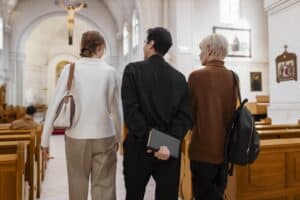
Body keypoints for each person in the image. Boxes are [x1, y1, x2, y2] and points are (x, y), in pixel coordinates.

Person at [41, 31, 123, 200]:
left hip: (76, 136)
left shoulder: (70, 69)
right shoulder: (110, 71)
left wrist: (44, 141)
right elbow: (116, 108)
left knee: (77, 184)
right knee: (105, 187)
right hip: (105, 135)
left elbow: (54, 105)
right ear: (99, 48)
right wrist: (119, 138)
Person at [121, 27, 192, 200]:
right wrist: (165, 144)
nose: (145, 46)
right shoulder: (179, 78)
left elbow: (131, 113)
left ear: (151, 44)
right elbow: (184, 117)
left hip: (139, 147)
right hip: (168, 150)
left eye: (145, 42)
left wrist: (153, 141)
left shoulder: (132, 70)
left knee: (134, 196)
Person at [188, 34, 237, 200]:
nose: (199, 54)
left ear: (209, 49)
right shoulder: (233, 77)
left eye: (201, 49)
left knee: (203, 195)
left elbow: (189, 115)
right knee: (218, 192)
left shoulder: (196, 77)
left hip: (202, 150)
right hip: (224, 152)